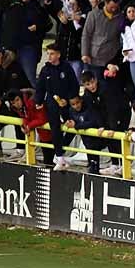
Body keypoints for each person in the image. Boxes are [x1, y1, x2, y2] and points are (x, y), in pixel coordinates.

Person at [34, 42, 79, 171]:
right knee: (55, 128)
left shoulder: (67, 68)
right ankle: (59, 156)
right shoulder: (45, 69)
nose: (49, 56)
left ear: (58, 55)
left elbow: (74, 85)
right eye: (48, 54)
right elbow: (40, 87)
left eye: (52, 53)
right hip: (52, 102)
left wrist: (68, 99)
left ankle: (61, 151)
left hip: (66, 103)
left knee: (73, 126)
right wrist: (38, 101)